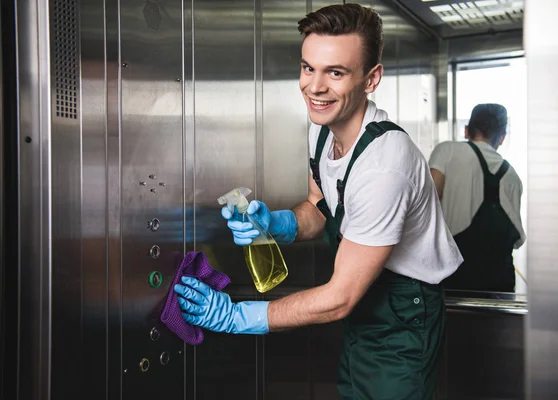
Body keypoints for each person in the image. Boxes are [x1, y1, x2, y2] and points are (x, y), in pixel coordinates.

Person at [174, 4, 463, 399]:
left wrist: (237, 316)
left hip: (403, 313)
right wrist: (276, 224)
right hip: (367, 299)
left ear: (371, 78)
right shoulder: (322, 130)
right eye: (309, 68)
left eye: (336, 72)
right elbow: (319, 206)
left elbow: (340, 297)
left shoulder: (385, 166)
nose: (315, 87)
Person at [429, 104, 526, 292]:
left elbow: (428, 201)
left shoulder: (447, 151)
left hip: (455, 275)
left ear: (467, 131)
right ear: (502, 137)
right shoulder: (513, 177)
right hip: (500, 279)